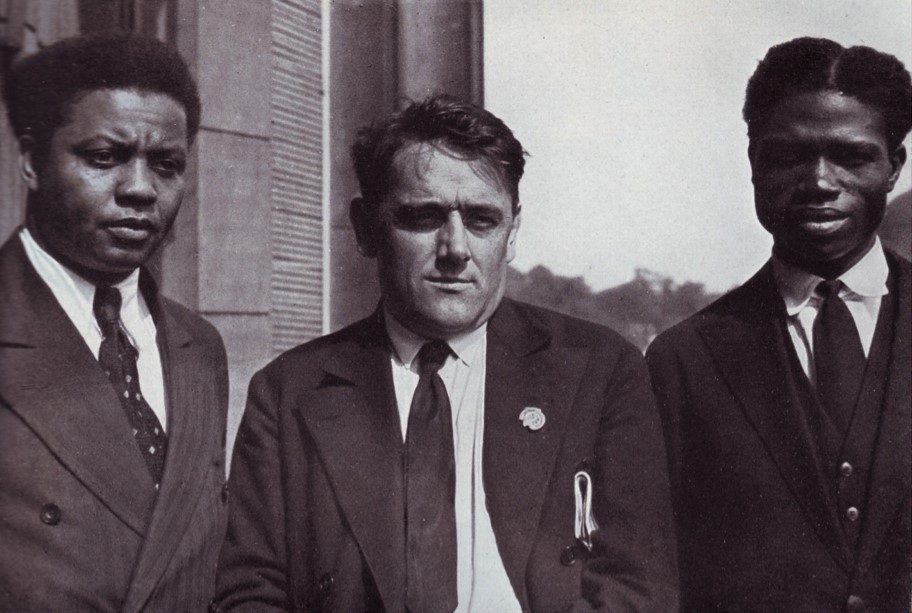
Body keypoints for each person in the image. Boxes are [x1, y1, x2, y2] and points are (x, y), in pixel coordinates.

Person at [214, 95, 677, 612]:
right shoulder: (287, 392)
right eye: (423, 216)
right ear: (365, 228)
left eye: (482, 220)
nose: (455, 248)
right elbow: (250, 593)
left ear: (512, 233)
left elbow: (638, 588)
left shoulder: (599, 370)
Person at [647, 37, 911, 612]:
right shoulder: (682, 361)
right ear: (754, 164)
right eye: (789, 156)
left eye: (852, 157)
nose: (819, 181)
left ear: (894, 166)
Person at [0, 33, 229, 611]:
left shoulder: (200, 347)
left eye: (166, 165)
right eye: (104, 158)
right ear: (31, 161)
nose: (140, 190)